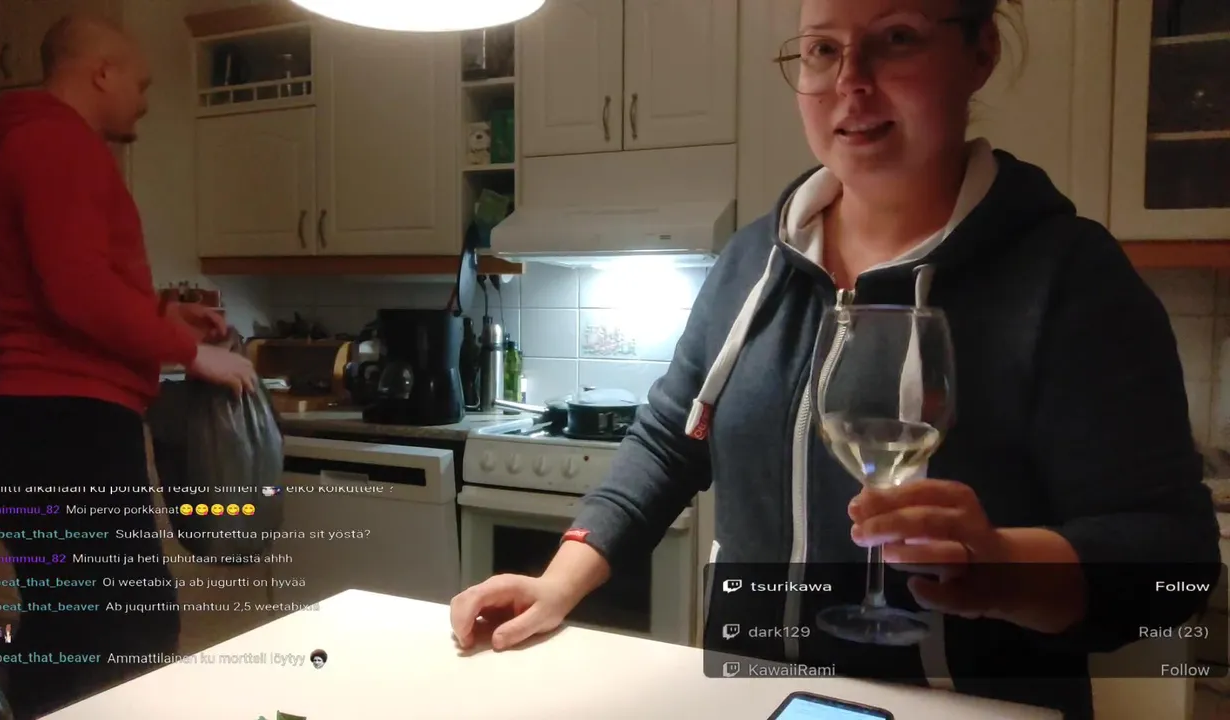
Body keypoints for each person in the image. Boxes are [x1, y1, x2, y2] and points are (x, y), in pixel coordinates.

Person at [451, 1, 1222, 717]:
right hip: (759, 700)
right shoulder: (752, 261)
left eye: (897, 39)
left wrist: (1004, 568)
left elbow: (1173, 561)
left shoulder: (1072, 278)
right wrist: (558, 582)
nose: (852, 81)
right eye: (823, 50)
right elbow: (668, 440)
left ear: (980, 52)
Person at [0, 14, 258, 719]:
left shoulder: (42, 143)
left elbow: (69, 286)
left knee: (85, 635)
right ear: (102, 72)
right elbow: (77, 292)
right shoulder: (55, 144)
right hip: (63, 430)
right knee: (116, 639)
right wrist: (191, 353)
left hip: (47, 428)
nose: (145, 101)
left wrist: (163, 314)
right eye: (142, 83)